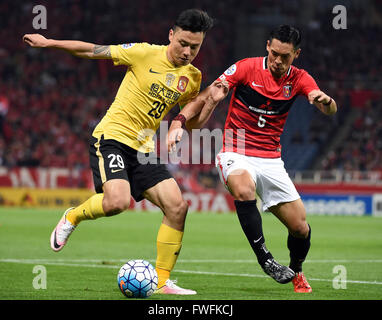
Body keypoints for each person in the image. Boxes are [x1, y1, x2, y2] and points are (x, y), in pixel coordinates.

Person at [23, 8, 214, 295]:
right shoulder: (142, 53)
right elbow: (93, 51)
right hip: (111, 137)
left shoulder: (192, 76)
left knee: (177, 207)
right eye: (183, 44)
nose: (187, 52)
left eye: (194, 47)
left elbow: (192, 121)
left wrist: (204, 106)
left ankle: (162, 282)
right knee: (117, 202)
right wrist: (49, 43)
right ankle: (72, 217)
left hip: (144, 148)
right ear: (171, 35)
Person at [167, 25, 337, 293]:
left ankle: (297, 271)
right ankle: (265, 259)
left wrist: (324, 100)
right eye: (275, 53)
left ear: (296, 54)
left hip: (271, 160)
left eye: (286, 56)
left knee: (301, 228)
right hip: (236, 152)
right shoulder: (246, 68)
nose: (278, 61)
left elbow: (329, 108)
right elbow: (208, 93)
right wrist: (178, 121)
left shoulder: (301, 79)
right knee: (244, 189)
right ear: (268, 46)